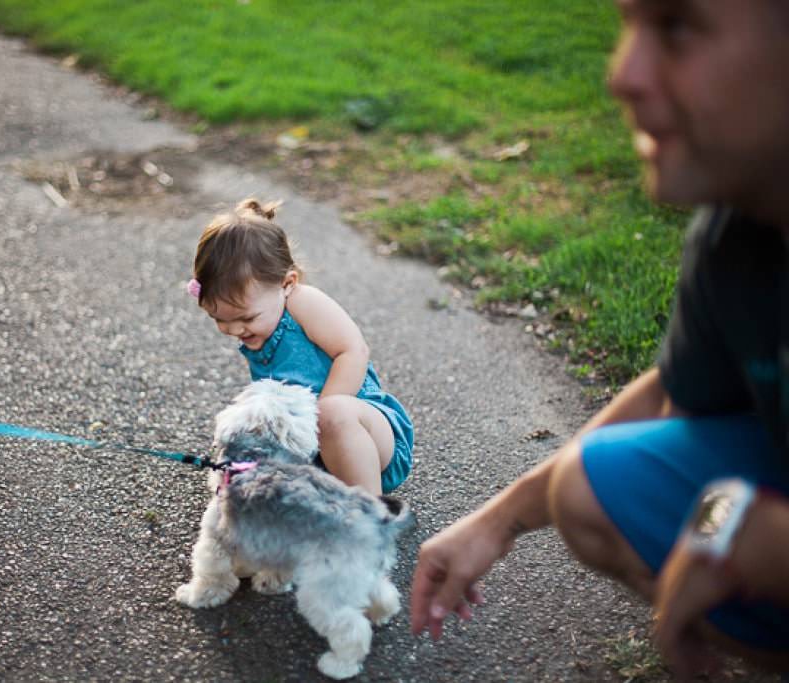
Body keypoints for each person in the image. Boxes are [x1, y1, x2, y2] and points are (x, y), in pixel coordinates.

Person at [410, 0, 789, 677]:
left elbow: (736, 521)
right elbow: (680, 400)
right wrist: (496, 521)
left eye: (676, 27)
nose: (621, 75)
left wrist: (761, 540)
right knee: (588, 485)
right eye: (629, 25)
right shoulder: (736, 235)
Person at [188, 198, 413, 497]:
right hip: (318, 454)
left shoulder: (303, 303)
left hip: (368, 436)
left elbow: (353, 351)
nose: (233, 330)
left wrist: (319, 415)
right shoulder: (261, 322)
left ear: (287, 283)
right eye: (219, 320)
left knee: (332, 413)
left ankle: (371, 517)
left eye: (246, 318)